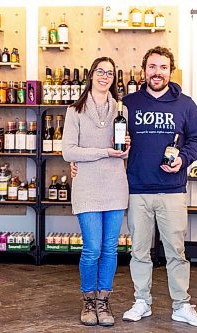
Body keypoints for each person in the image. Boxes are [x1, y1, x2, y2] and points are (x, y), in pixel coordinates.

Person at [71, 46, 197, 327]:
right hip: (136, 189)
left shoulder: (186, 104)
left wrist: (182, 159)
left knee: (176, 253)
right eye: (152, 67)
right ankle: (142, 301)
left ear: (171, 71)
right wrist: (75, 164)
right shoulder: (127, 104)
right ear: (144, 70)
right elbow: (99, 137)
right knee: (139, 252)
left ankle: (181, 305)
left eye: (163, 67)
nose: (157, 72)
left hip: (172, 190)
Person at [62, 56, 131, 327]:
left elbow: (124, 153)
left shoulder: (120, 110)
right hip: (87, 187)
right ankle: (88, 300)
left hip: (115, 185)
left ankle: (104, 300)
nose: (105, 76)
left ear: (114, 79)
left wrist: (126, 146)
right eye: (100, 71)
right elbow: (68, 151)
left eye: (110, 73)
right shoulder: (74, 111)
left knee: (110, 249)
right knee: (92, 249)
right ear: (91, 75)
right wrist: (105, 152)